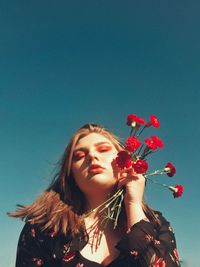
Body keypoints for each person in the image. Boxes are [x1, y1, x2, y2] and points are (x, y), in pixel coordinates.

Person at [8, 123, 181, 267]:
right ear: (71, 175)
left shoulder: (157, 225)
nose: (91, 155)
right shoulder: (45, 227)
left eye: (103, 149)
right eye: (79, 156)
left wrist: (133, 204)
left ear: (127, 161)